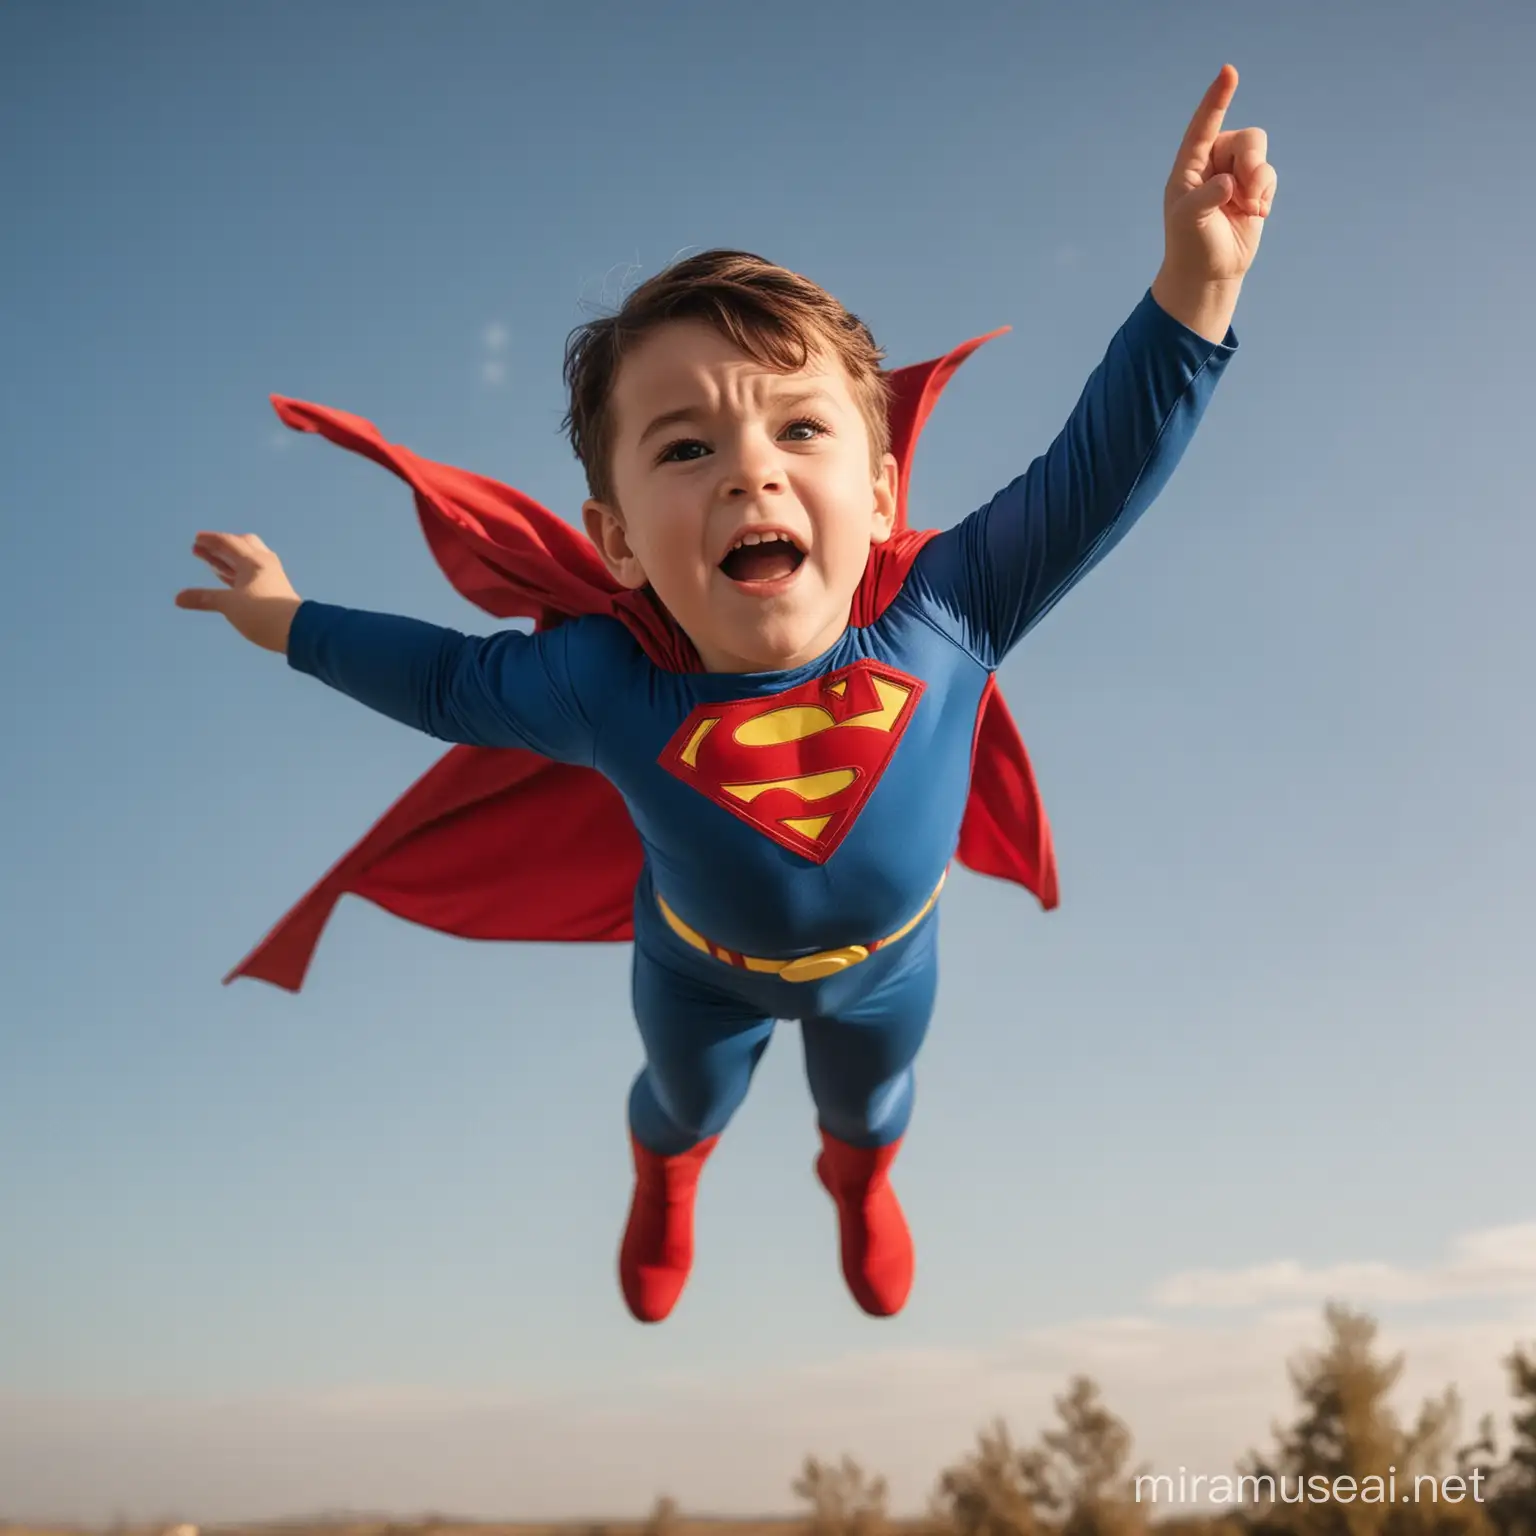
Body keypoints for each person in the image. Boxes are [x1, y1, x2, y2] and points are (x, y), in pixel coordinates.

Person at [177, 66, 1275, 1324]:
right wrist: (282, 619)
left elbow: (1104, 463)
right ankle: (668, 1178)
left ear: (882, 494)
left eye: (799, 431)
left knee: (867, 1106)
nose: (749, 472)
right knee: (682, 1099)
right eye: (687, 447)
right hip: (696, 970)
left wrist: (1201, 284)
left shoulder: (952, 615)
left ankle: (858, 1185)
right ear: (619, 540)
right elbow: (438, 678)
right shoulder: (604, 683)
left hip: (886, 965)